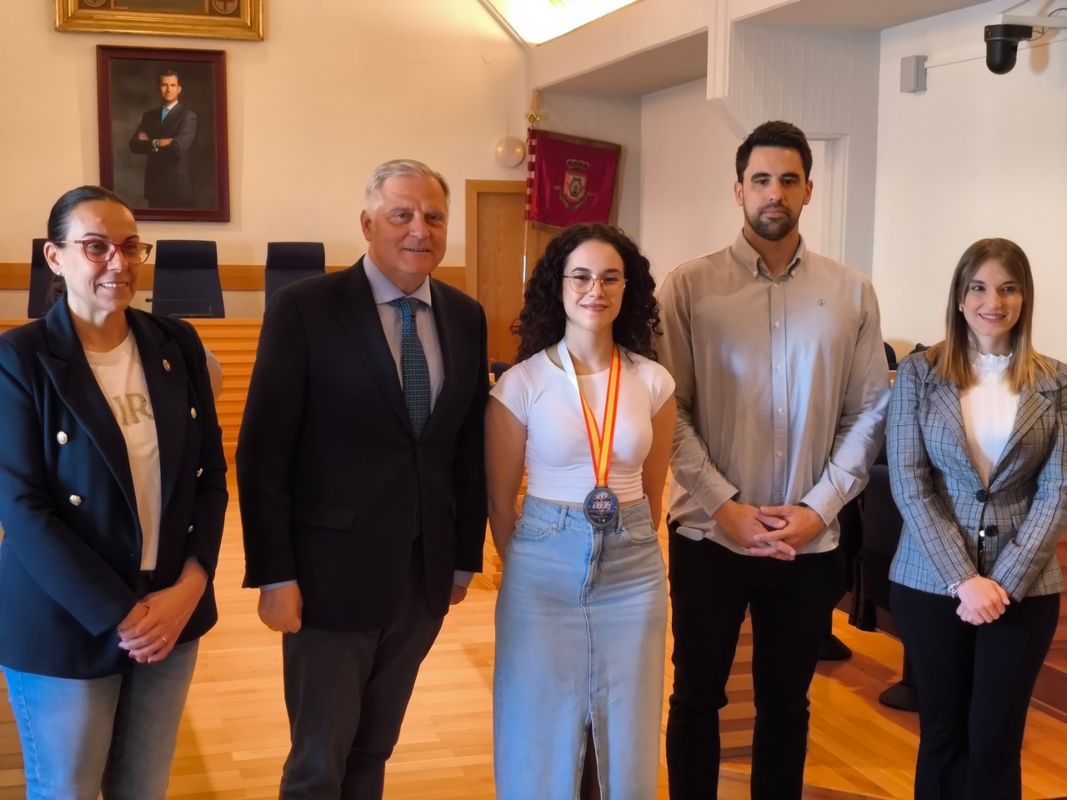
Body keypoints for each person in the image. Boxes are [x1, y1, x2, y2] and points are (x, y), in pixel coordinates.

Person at [238, 159, 488, 799]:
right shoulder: (306, 308)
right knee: (319, 759)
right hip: (328, 577)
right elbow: (264, 452)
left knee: (374, 749)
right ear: (368, 222)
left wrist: (463, 560)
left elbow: (465, 448)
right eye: (402, 214)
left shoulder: (465, 315)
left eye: (434, 216)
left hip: (421, 574)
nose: (419, 230)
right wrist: (275, 573)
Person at [658, 120, 890, 800]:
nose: (774, 193)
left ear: (808, 190)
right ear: (737, 189)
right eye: (760, 179)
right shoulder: (688, 289)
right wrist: (723, 508)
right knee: (696, 696)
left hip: (806, 543)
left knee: (787, 704)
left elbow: (868, 412)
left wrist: (816, 510)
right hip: (708, 537)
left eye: (788, 180)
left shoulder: (849, 293)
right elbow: (671, 412)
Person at [0, 185, 227, 799]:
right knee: (67, 790)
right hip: (66, 618)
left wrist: (192, 582)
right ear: (55, 258)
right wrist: (121, 614)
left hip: (170, 612)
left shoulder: (175, 344)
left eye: (131, 247)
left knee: (141, 790)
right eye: (96, 247)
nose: (119, 264)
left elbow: (210, 477)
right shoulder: (19, 358)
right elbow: (22, 510)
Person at [487, 223, 676, 799]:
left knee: (629, 723)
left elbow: (652, 483)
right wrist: (524, 560)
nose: (596, 289)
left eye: (610, 277)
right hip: (543, 561)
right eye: (582, 276)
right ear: (559, 287)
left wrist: (634, 536)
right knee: (537, 720)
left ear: (627, 290)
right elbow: (499, 497)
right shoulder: (521, 383)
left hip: (634, 565)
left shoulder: (652, 380)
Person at [888, 238, 1066, 800]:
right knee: (942, 733)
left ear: (1024, 298)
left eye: (1009, 288)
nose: (995, 301)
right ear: (961, 297)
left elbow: (1058, 489)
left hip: (1026, 587)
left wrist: (1003, 582)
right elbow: (909, 482)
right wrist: (963, 579)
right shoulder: (919, 375)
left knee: (996, 738)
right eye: (981, 287)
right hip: (930, 581)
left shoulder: (1057, 381)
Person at [129, 68, 198, 208]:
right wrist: (160, 142)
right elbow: (134, 145)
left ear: (179, 89)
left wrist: (149, 142)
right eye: (164, 85)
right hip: (154, 186)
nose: (168, 89)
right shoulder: (149, 116)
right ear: (159, 88)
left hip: (177, 189)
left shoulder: (188, 116)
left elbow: (178, 148)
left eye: (172, 85)